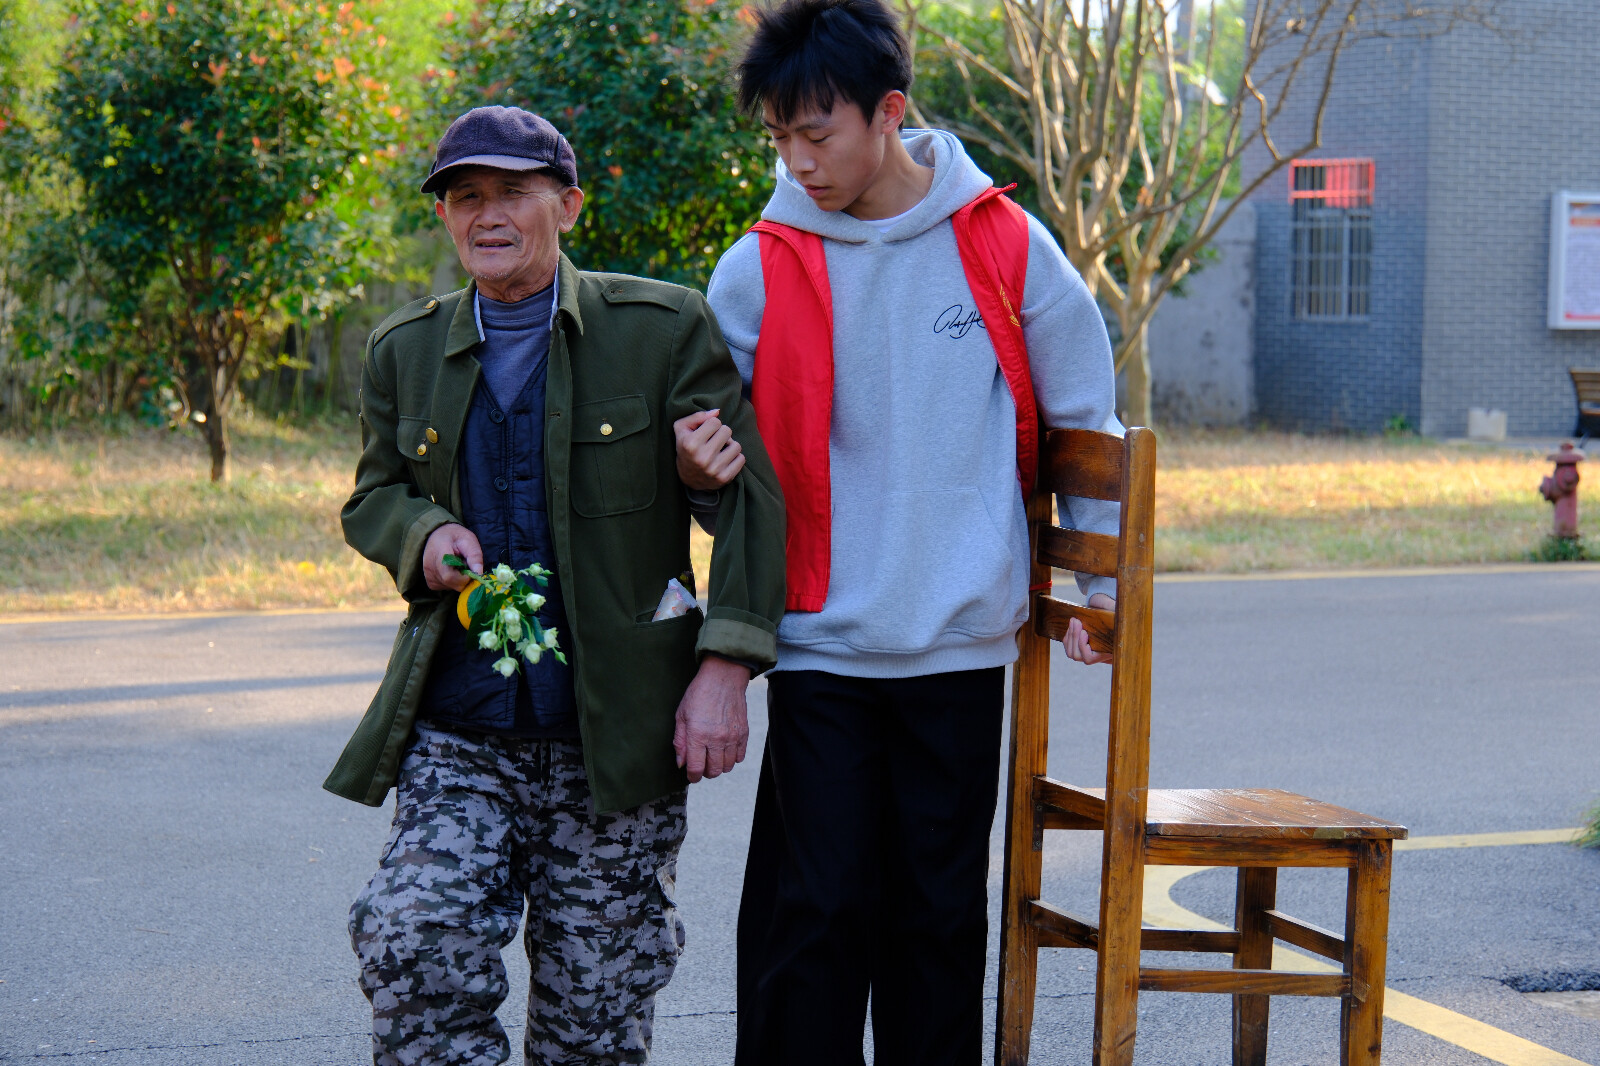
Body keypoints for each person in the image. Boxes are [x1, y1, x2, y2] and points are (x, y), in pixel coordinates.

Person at [677, 1, 1121, 1061]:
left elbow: (1087, 421)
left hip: (959, 642)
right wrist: (694, 474)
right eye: (778, 137)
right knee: (814, 914)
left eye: (815, 132)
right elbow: (717, 477)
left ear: (889, 112)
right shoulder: (757, 267)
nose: (797, 161)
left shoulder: (1003, 244)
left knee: (936, 920)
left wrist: (1102, 584)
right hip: (821, 641)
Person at [324, 105, 786, 1066]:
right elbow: (374, 496)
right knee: (413, 942)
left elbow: (747, 501)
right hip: (460, 728)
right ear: (445, 217)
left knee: (595, 1020)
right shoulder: (403, 349)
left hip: (612, 737)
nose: (486, 214)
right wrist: (422, 533)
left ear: (568, 205)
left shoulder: (660, 329)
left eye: (513, 192)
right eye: (465, 196)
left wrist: (725, 669)